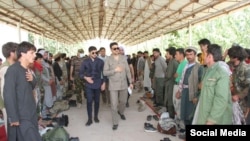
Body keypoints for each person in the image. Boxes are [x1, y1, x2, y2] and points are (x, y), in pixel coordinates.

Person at [4, 41, 42, 141]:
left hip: (31, 113)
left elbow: (31, 87)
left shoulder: (27, 70)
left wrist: (32, 80)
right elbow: (8, 94)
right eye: (32, 53)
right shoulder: (13, 70)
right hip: (21, 117)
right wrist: (13, 117)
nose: (35, 55)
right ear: (23, 54)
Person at [192, 44, 232, 124]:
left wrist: (211, 120)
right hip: (204, 115)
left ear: (209, 56)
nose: (201, 57)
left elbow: (221, 99)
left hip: (215, 120)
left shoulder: (220, 72)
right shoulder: (208, 71)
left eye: (204, 54)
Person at [103, 42, 133, 130]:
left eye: (117, 48)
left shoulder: (124, 58)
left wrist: (130, 82)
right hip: (113, 85)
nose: (117, 50)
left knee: (123, 101)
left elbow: (127, 70)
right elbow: (105, 72)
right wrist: (115, 70)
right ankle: (115, 122)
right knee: (114, 104)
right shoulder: (108, 60)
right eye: (114, 48)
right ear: (111, 50)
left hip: (123, 84)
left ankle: (121, 112)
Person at [80, 46, 106, 126]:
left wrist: (104, 83)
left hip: (98, 83)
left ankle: (96, 116)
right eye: (93, 53)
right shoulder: (85, 62)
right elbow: (80, 73)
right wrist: (86, 78)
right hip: (89, 84)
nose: (95, 54)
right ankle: (89, 119)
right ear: (89, 53)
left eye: (96, 52)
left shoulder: (100, 62)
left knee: (97, 101)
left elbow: (104, 73)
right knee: (89, 101)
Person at [0, 42, 18, 134]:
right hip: (9, 106)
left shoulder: (13, 67)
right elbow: (5, 93)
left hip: (15, 104)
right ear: (11, 53)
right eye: (17, 51)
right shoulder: (6, 69)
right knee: (12, 131)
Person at [164, 47, 178, 119]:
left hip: (171, 84)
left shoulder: (172, 62)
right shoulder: (173, 61)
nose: (166, 55)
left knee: (170, 101)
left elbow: (168, 75)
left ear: (171, 54)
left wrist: (165, 77)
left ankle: (171, 118)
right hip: (171, 83)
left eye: (167, 53)